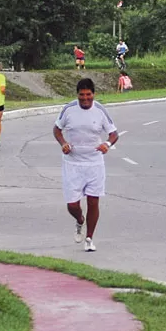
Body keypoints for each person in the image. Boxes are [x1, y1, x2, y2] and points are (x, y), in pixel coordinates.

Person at [53, 78, 119, 253]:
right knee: (72, 205)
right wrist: (63, 143)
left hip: (94, 163)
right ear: (77, 95)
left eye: (88, 95)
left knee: (93, 200)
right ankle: (79, 219)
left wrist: (107, 145)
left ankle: (89, 238)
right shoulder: (68, 110)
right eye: (82, 95)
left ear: (93, 94)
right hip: (72, 163)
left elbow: (114, 134)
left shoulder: (100, 110)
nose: (85, 99)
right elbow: (57, 129)